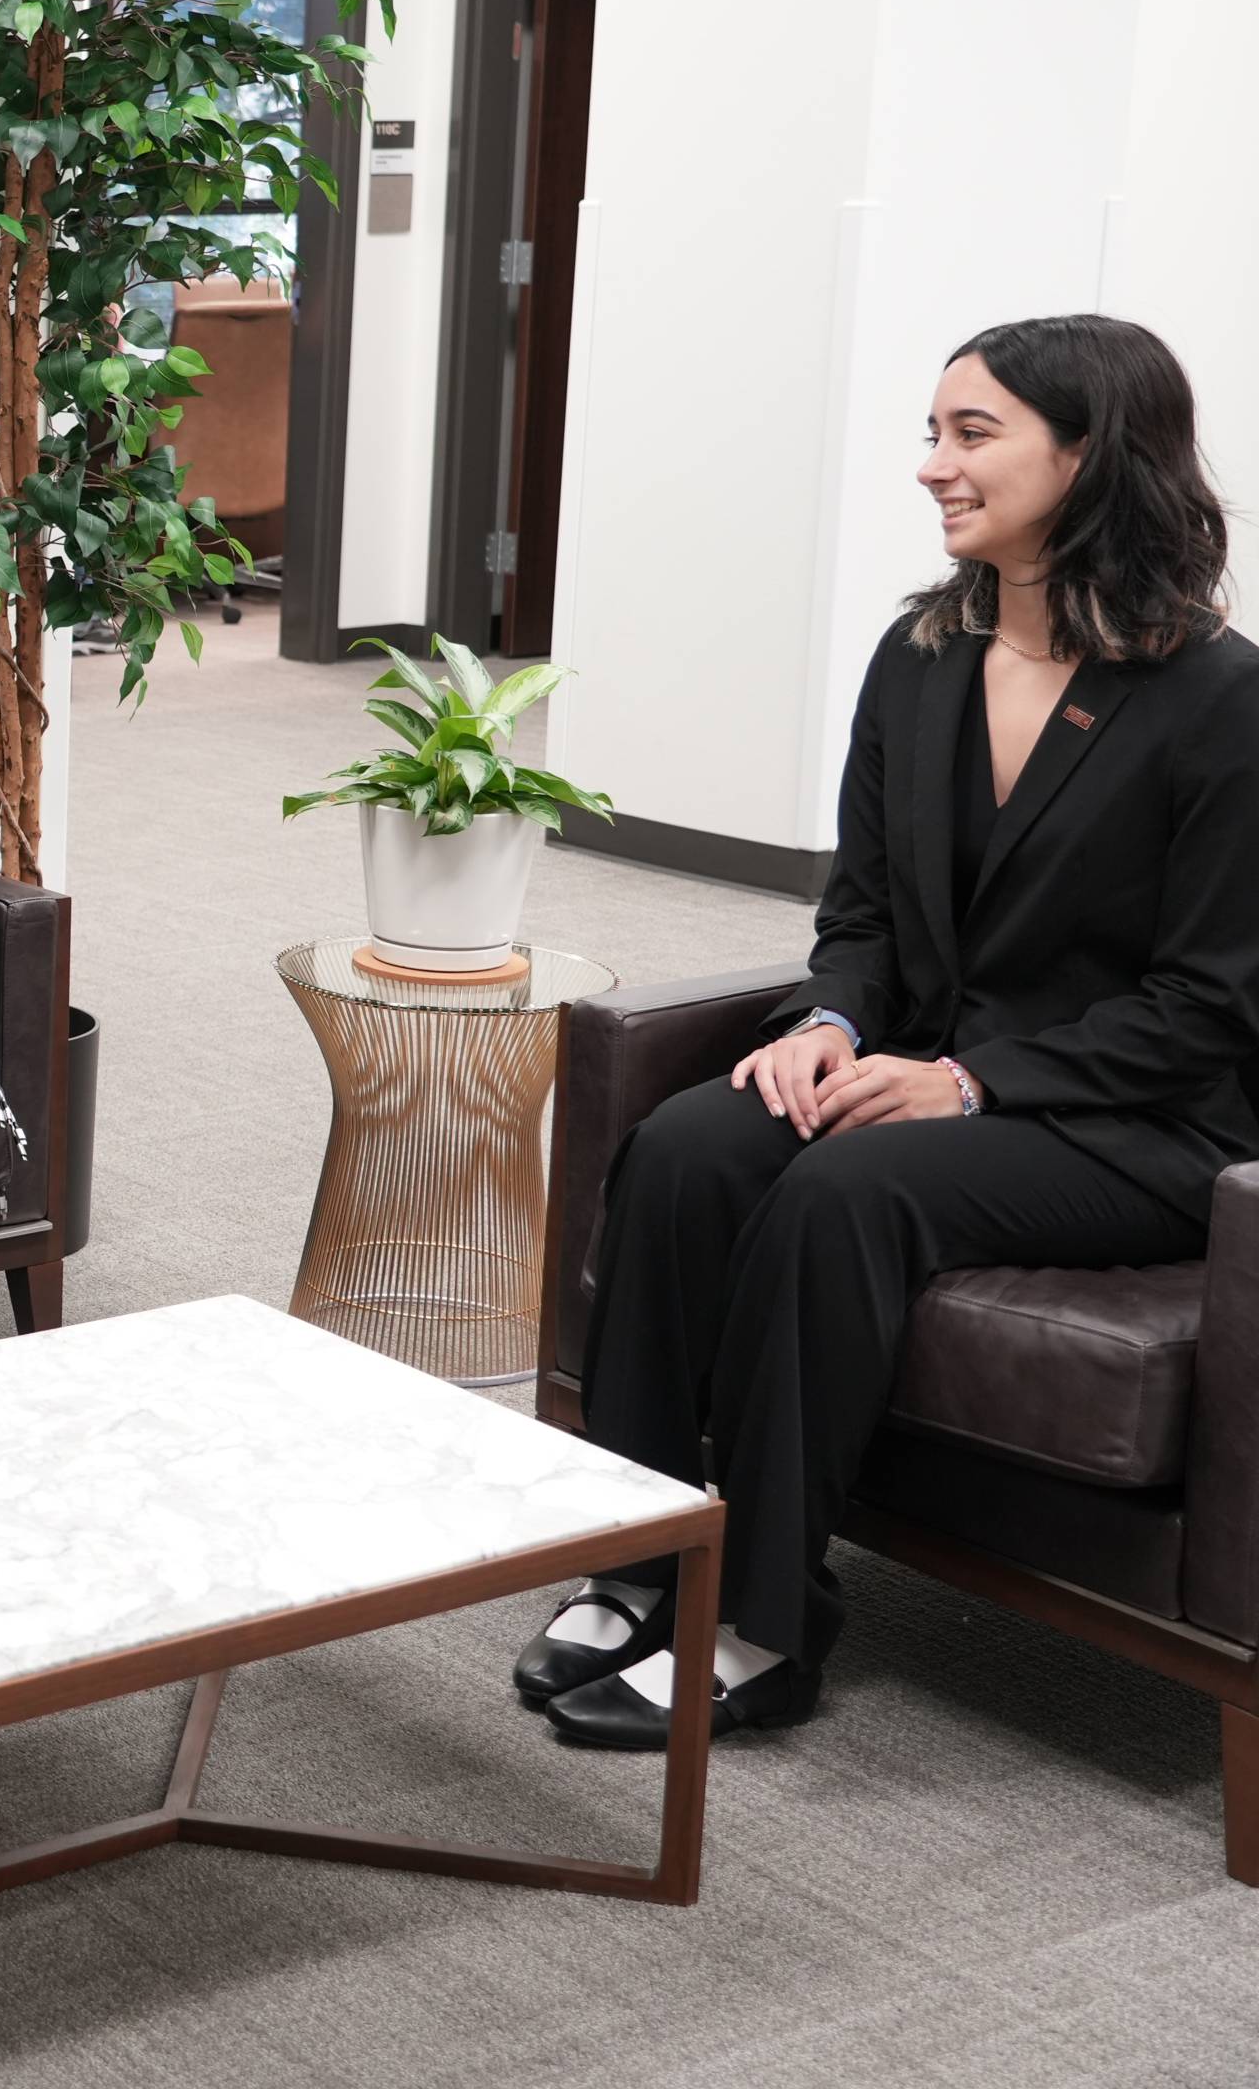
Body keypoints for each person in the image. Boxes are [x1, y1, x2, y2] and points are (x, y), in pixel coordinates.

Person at [520, 314, 1259, 1750]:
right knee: (687, 1147)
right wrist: (835, 1018)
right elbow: (856, 901)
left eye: (970, 434)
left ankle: (771, 1622)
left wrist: (971, 1080)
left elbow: (1212, 1006)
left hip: (1139, 1119)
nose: (933, 466)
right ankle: (638, 1555)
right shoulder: (920, 654)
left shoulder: (1224, 703)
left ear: (1090, 451)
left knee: (845, 1189)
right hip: (918, 1057)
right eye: (934, 432)